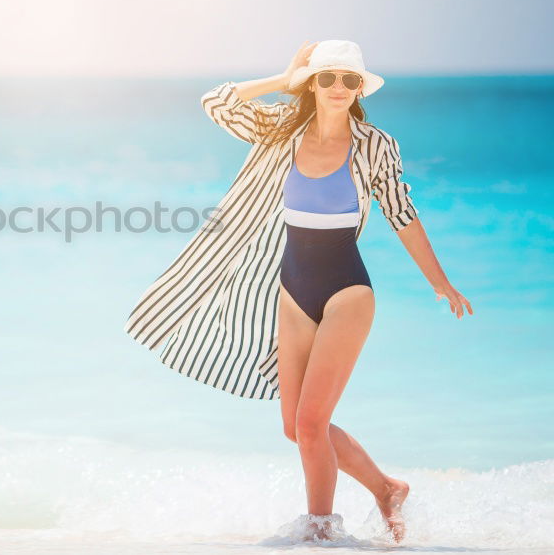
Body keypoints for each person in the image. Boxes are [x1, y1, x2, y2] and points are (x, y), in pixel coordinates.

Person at [123, 39, 473, 543]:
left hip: (347, 292)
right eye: (327, 77)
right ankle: (387, 488)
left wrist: (440, 282)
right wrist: (280, 79)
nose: (338, 88)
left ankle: (321, 533)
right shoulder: (279, 130)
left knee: (311, 424)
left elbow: (402, 213)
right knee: (297, 428)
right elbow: (216, 102)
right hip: (293, 291)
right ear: (312, 82)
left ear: (359, 89)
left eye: (349, 80)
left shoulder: (375, 144)